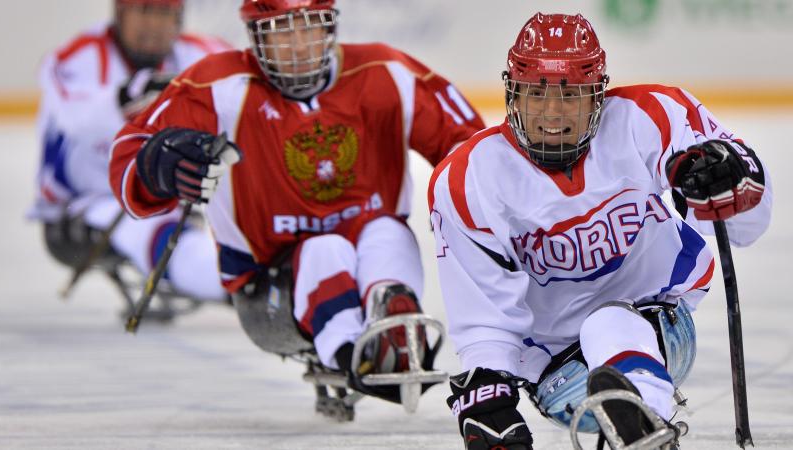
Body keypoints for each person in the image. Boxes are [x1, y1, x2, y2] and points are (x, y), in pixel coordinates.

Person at [108, 0, 485, 413]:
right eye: (281, 30)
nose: (298, 45)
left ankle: (393, 315)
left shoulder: (388, 74)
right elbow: (129, 153)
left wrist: (487, 222)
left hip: (368, 246)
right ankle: (352, 353)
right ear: (255, 37)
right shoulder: (217, 85)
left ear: (330, 28)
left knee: (387, 231)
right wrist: (157, 165)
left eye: (309, 27)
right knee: (325, 251)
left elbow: (474, 154)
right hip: (268, 284)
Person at [429, 12, 771, 450]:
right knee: (601, 327)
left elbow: (745, 227)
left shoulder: (650, 117)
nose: (552, 113)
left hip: (659, 326)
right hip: (560, 374)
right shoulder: (468, 179)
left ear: (597, 96)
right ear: (513, 95)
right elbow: (482, 317)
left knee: (608, 323)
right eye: (537, 93)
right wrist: (487, 397)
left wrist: (730, 182)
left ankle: (645, 424)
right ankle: (642, 424)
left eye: (570, 94)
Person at [30, 0, 232, 310]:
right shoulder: (80, 56)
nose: (153, 25)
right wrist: (125, 97)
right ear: (120, 12)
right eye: (144, 10)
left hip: (169, 191)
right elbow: (71, 116)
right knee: (148, 227)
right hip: (83, 204)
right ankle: (237, 285)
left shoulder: (204, 52)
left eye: (164, 13)